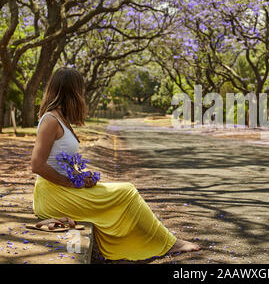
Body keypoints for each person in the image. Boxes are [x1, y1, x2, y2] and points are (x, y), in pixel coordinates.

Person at [30, 66, 200, 261]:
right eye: (80, 90)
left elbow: (60, 161)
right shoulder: (50, 120)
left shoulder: (62, 119)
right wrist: (70, 183)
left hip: (63, 189)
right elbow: (37, 165)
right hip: (52, 195)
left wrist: (81, 177)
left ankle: (158, 242)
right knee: (127, 191)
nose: (82, 95)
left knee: (123, 192)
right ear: (71, 91)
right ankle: (171, 243)